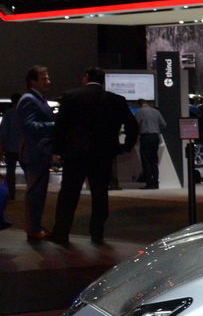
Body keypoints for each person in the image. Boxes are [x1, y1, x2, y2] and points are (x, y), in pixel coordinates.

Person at [49, 67, 139, 246]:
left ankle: (61, 233)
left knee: (69, 194)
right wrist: (125, 146)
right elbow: (132, 126)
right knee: (100, 194)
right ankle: (97, 233)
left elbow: (60, 126)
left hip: (75, 153)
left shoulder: (71, 96)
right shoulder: (116, 100)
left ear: (86, 77)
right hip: (103, 154)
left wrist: (58, 149)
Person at [14, 68, 57, 241]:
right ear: (33, 81)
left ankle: (35, 226)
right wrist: (55, 125)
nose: (48, 81)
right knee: (35, 192)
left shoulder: (36, 98)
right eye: (44, 79)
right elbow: (29, 126)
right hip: (34, 152)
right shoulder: (29, 99)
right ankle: (33, 228)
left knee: (38, 192)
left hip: (37, 151)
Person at [132, 98, 168, 188]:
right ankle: (156, 183)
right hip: (155, 137)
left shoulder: (140, 112)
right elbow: (164, 124)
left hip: (145, 137)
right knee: (154, 161)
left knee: (146, 161)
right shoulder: (156, 111)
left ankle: (149, 183)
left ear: (139, 105)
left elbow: (135, 125)